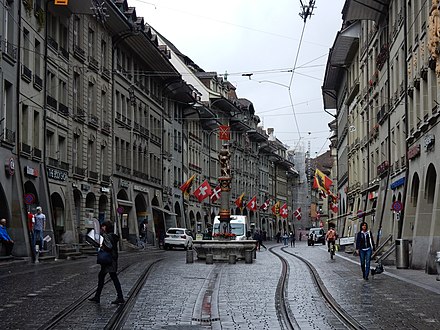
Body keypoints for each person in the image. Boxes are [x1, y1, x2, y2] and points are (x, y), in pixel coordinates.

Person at [89, 221, 125, 304]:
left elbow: (109, 246)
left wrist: (101, 246)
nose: (102, 228)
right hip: (111, 259)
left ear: (106, 227)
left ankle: (120, 297)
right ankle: (97, 296)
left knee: (112, 277)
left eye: (103, 226)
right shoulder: (112, 236)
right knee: (103, 276)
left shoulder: (107, 236)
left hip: (108, 260)